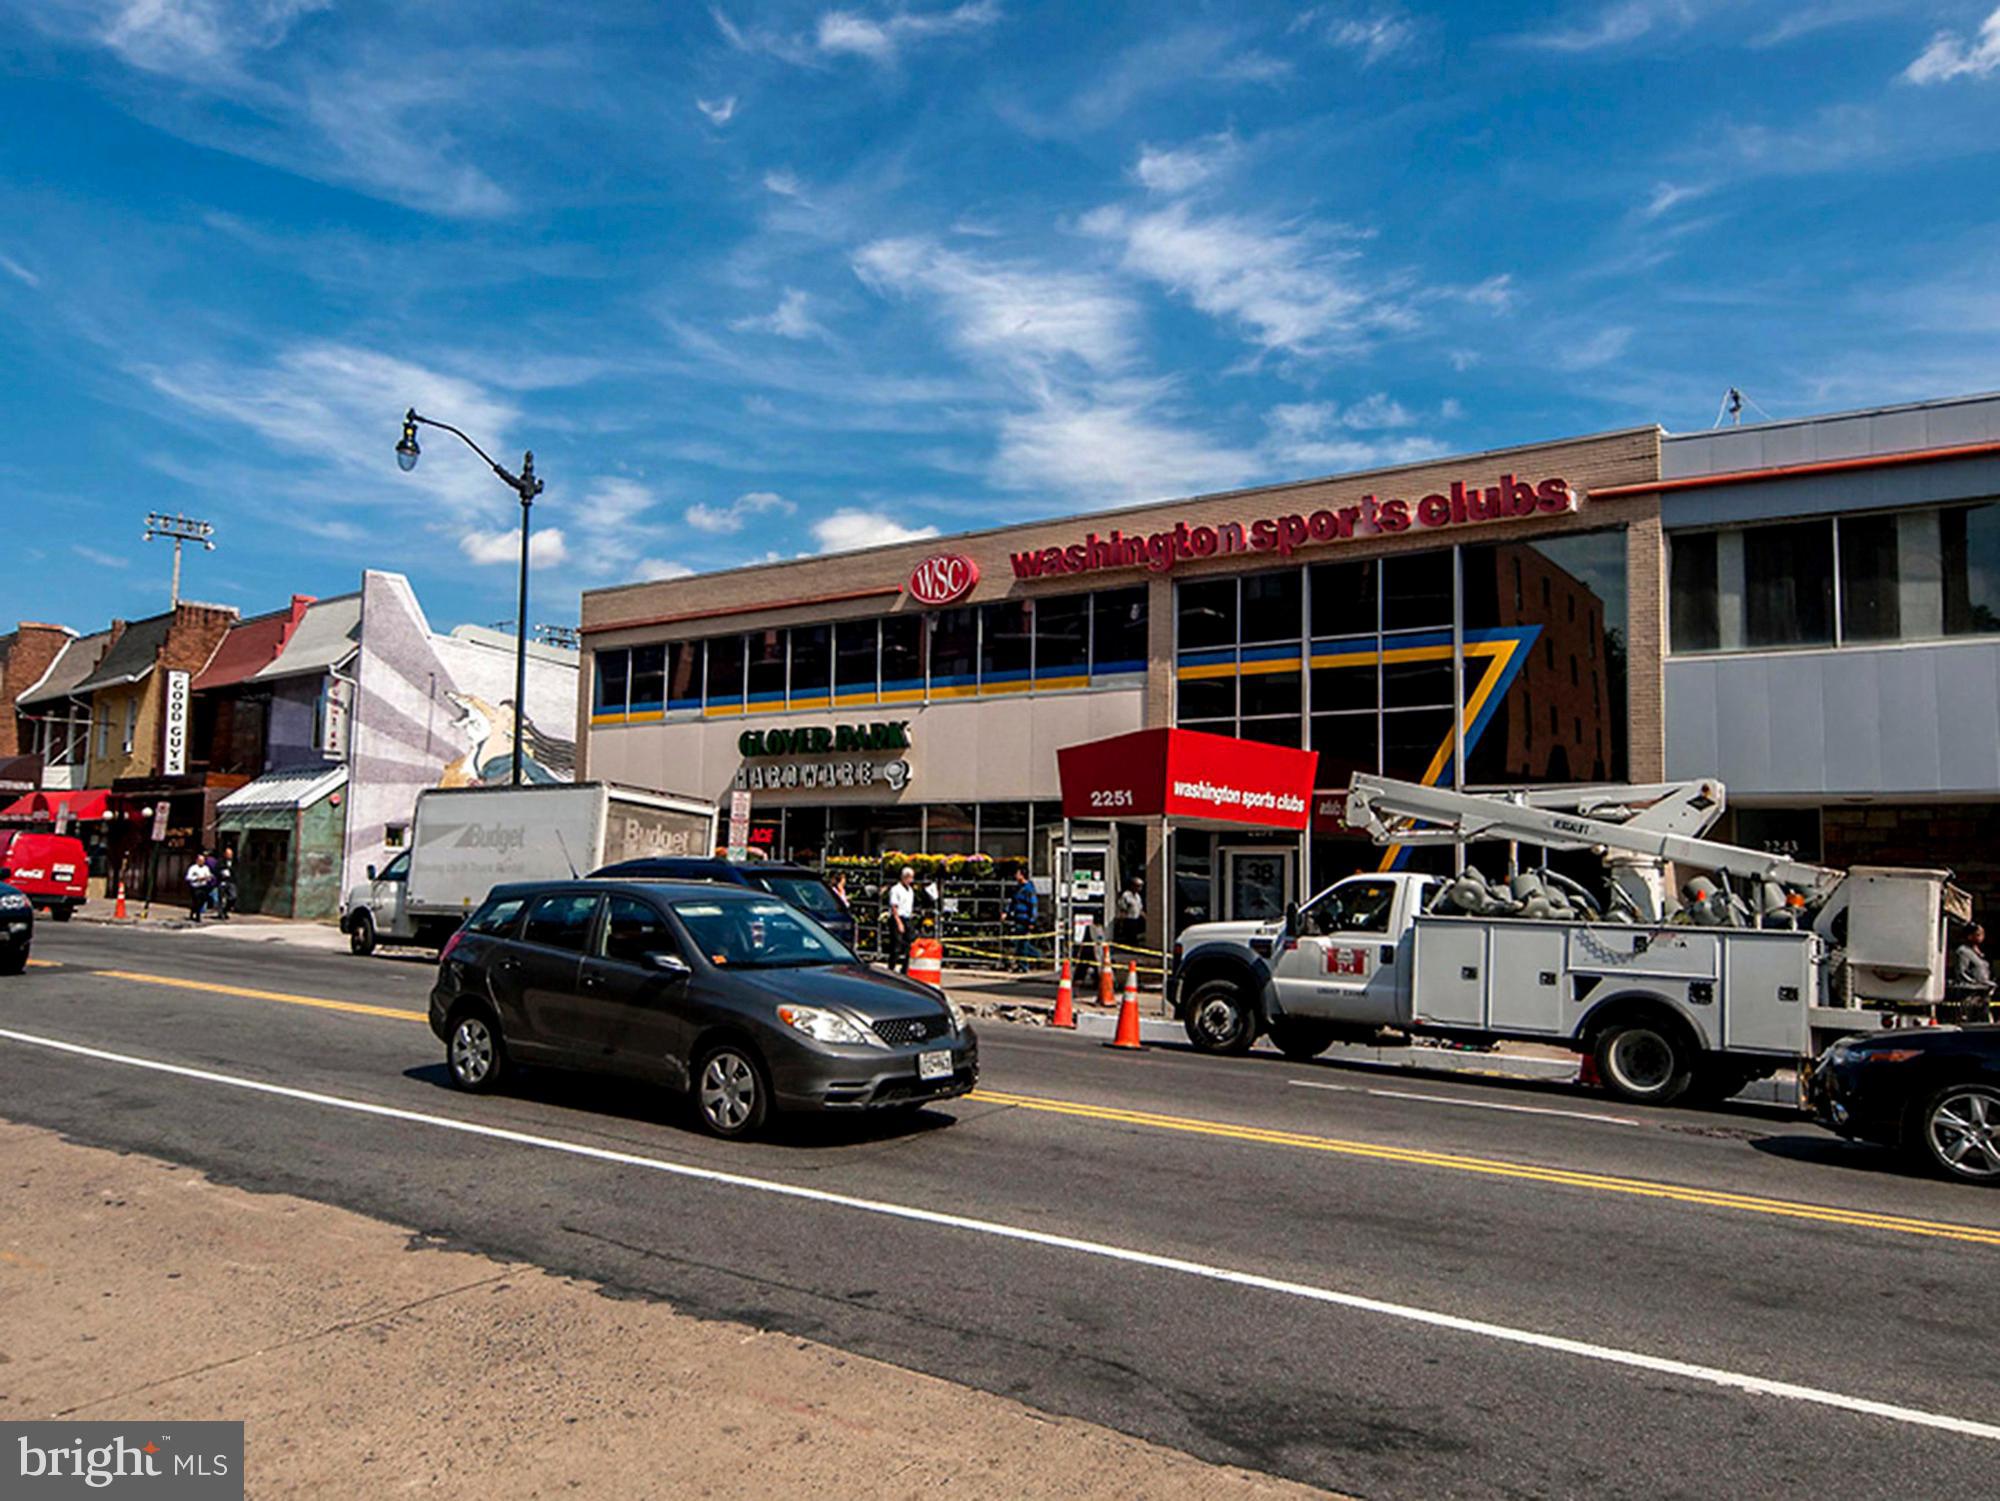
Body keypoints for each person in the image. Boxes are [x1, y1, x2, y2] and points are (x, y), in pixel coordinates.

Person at [1948, 922, 1994, 1022]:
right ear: (1970, 936)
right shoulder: (1963, 952)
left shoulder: (1980, 954)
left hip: (1983, 997)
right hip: (1970, 997)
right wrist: (1977, 985)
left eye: (1983, 933)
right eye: (1978, 934)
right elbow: (1961, 973)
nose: (1982, 936)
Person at [1005, 867, 1041, 974]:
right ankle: (1024, 961)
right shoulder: (1018, 889)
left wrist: (1032, 920)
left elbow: (1033, 905)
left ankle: (1029, 961)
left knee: (1023, 943)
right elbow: (1013, 902)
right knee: (1018, 942)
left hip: (1025, 919)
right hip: (1018, 918)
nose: (1015, 876)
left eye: (1017, 873)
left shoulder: (1029, 889)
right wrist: (1006, 912)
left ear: (1022, 875)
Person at [887, 865, 918, 972]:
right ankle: (891, 967)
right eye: (909, 877)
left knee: (910, 944)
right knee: (896, 946)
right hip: (898, 918)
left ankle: (905, 968)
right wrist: (898, 922)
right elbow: (894, 907)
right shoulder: (896, 889)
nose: (911, 880)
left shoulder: (910, 890)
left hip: (907, 917)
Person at [1114, 876, 1146, 953]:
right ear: (1133, 886)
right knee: (1129, 937)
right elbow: (1122, 907)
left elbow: (1139, 908)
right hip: (1128, 919)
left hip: (1136, 919)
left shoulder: (1138, 896)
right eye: (1138, 886)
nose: (1140, 888)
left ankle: (1134, 949)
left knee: (1135, 936)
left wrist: (1145, 917)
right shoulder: (1126, 895)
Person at [184, 849, 215, 922]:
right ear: (197, 860)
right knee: (197, 901)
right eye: (200, 860)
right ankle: (197, 916)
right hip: (195, 887)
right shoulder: (193, 868)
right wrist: (197, 878)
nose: (202, 862)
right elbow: (188, 877)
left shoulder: (206, 868)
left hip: (203, 886)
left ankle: (193, 911)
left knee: (202, 901)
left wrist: (209, 877)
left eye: (203, 860)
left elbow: (209, 876)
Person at [215, 844, 238, 920]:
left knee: (233, 897)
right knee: (221, 898)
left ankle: (226, 910)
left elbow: (237, 870)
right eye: (228, 854)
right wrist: (221, 873)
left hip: (231, 881)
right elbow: (216, 870)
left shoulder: (235, 861)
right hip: (222, 881)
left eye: (231, 854)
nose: (229, 855)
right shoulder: (220, 862)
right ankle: (221, 913)